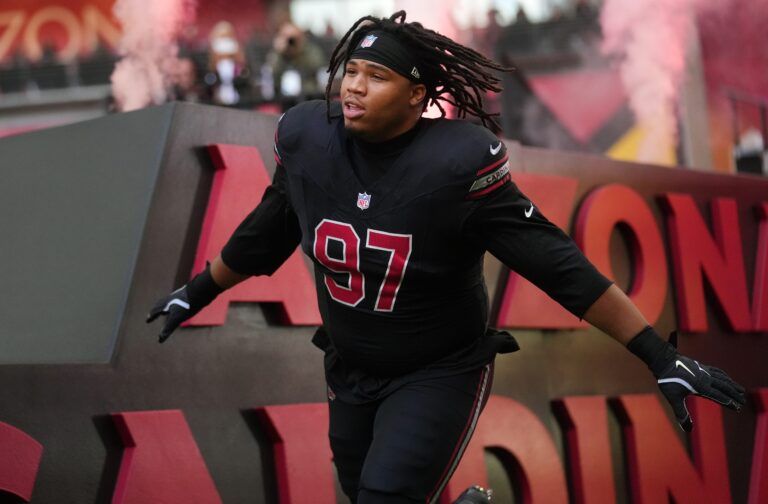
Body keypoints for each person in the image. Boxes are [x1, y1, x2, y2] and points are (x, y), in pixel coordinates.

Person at [147, 11, 746, 504]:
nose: (353, 86)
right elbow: (266, 231)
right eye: (349, 70)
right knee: (363, 496)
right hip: (349, 368)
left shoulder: (457, 166)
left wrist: (656, 353)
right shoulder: (309, 139)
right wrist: (197, 289)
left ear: (417, 96)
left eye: (375, 76)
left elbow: (556, 265)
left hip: (439, 369)